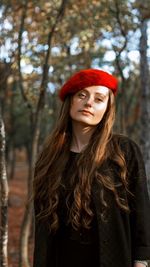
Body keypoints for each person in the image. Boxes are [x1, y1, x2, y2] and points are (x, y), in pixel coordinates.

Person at [33, 69, 150, 267]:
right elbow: (43, 229)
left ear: (107, 109)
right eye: (82, 95)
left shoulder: (124, 151)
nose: (88, 103)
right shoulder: (50, 158)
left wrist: (142, 261)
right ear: (70, 101)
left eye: (99, 99)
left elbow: (142, 213)